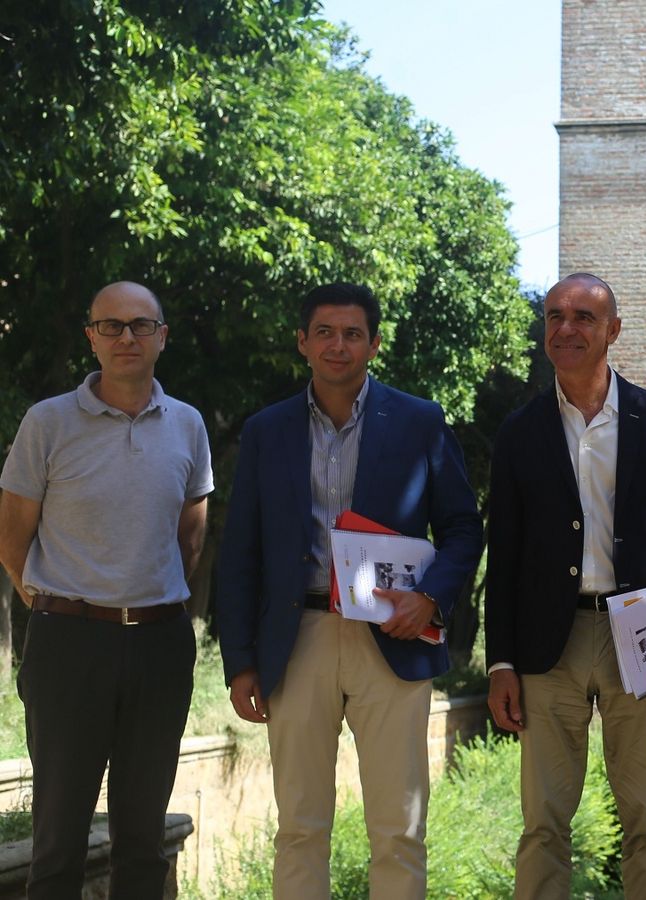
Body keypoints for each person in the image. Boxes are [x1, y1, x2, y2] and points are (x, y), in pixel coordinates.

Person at [215, 282, 483, 899]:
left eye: (353, 333)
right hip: (296, 638)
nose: (339, 345)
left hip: (392, 634)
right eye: (326, 333)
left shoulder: (419, 420)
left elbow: (464, 527)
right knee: (300, 829)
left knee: (399, 828)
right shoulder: (266, 430)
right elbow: (241, 554)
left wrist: (431, 599)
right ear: (303, 342)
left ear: (374, 343)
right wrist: (241, 661)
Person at [484, 272, 646, 900]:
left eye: (584, 317)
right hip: (544, 646)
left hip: (638, 637)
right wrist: (500, 660)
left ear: (614, 330)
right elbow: (501, 556)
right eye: (555, 315)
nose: (567, 327)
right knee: (544, 824)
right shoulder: (519, 431)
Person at [0, 281, 211, 898]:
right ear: (91, 337)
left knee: (143, 843)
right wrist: (47, 601)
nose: (126, 337)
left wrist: (145, 600)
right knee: (59, 841)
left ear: (162, 337)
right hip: (68, 644)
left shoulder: (190, 425)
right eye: (111, 326)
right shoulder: (48, 422)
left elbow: (190, 540)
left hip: (159, 645)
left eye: (141, 325)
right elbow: (13, 537)